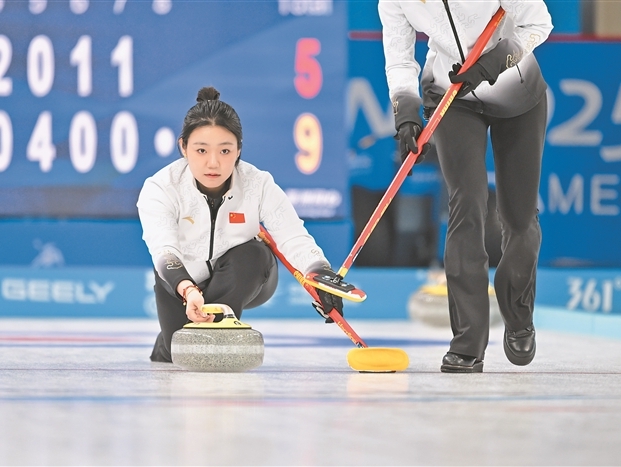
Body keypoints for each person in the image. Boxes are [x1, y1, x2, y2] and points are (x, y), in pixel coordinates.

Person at [378, 1, 553, 372]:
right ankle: (468, 342)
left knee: (519, 217)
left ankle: (518, 314)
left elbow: (539, 24)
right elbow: (399, 57)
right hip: (451, 95)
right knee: (467, 202)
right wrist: (405, 111)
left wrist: (493, 63)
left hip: (517, 91)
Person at [137, 86, 346, 362]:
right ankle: (168, 343)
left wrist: (320, 275)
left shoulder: (258, 184)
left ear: (239, 150)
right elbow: (164, 251)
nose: (213, 163)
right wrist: (187, 289)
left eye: (225, 150)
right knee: (179, 353)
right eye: (201, 150)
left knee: (254, 253)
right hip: (180, 282)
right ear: (183, 148)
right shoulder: (161, 188)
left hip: (244, 276)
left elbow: (293, 236)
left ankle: (217, 328)